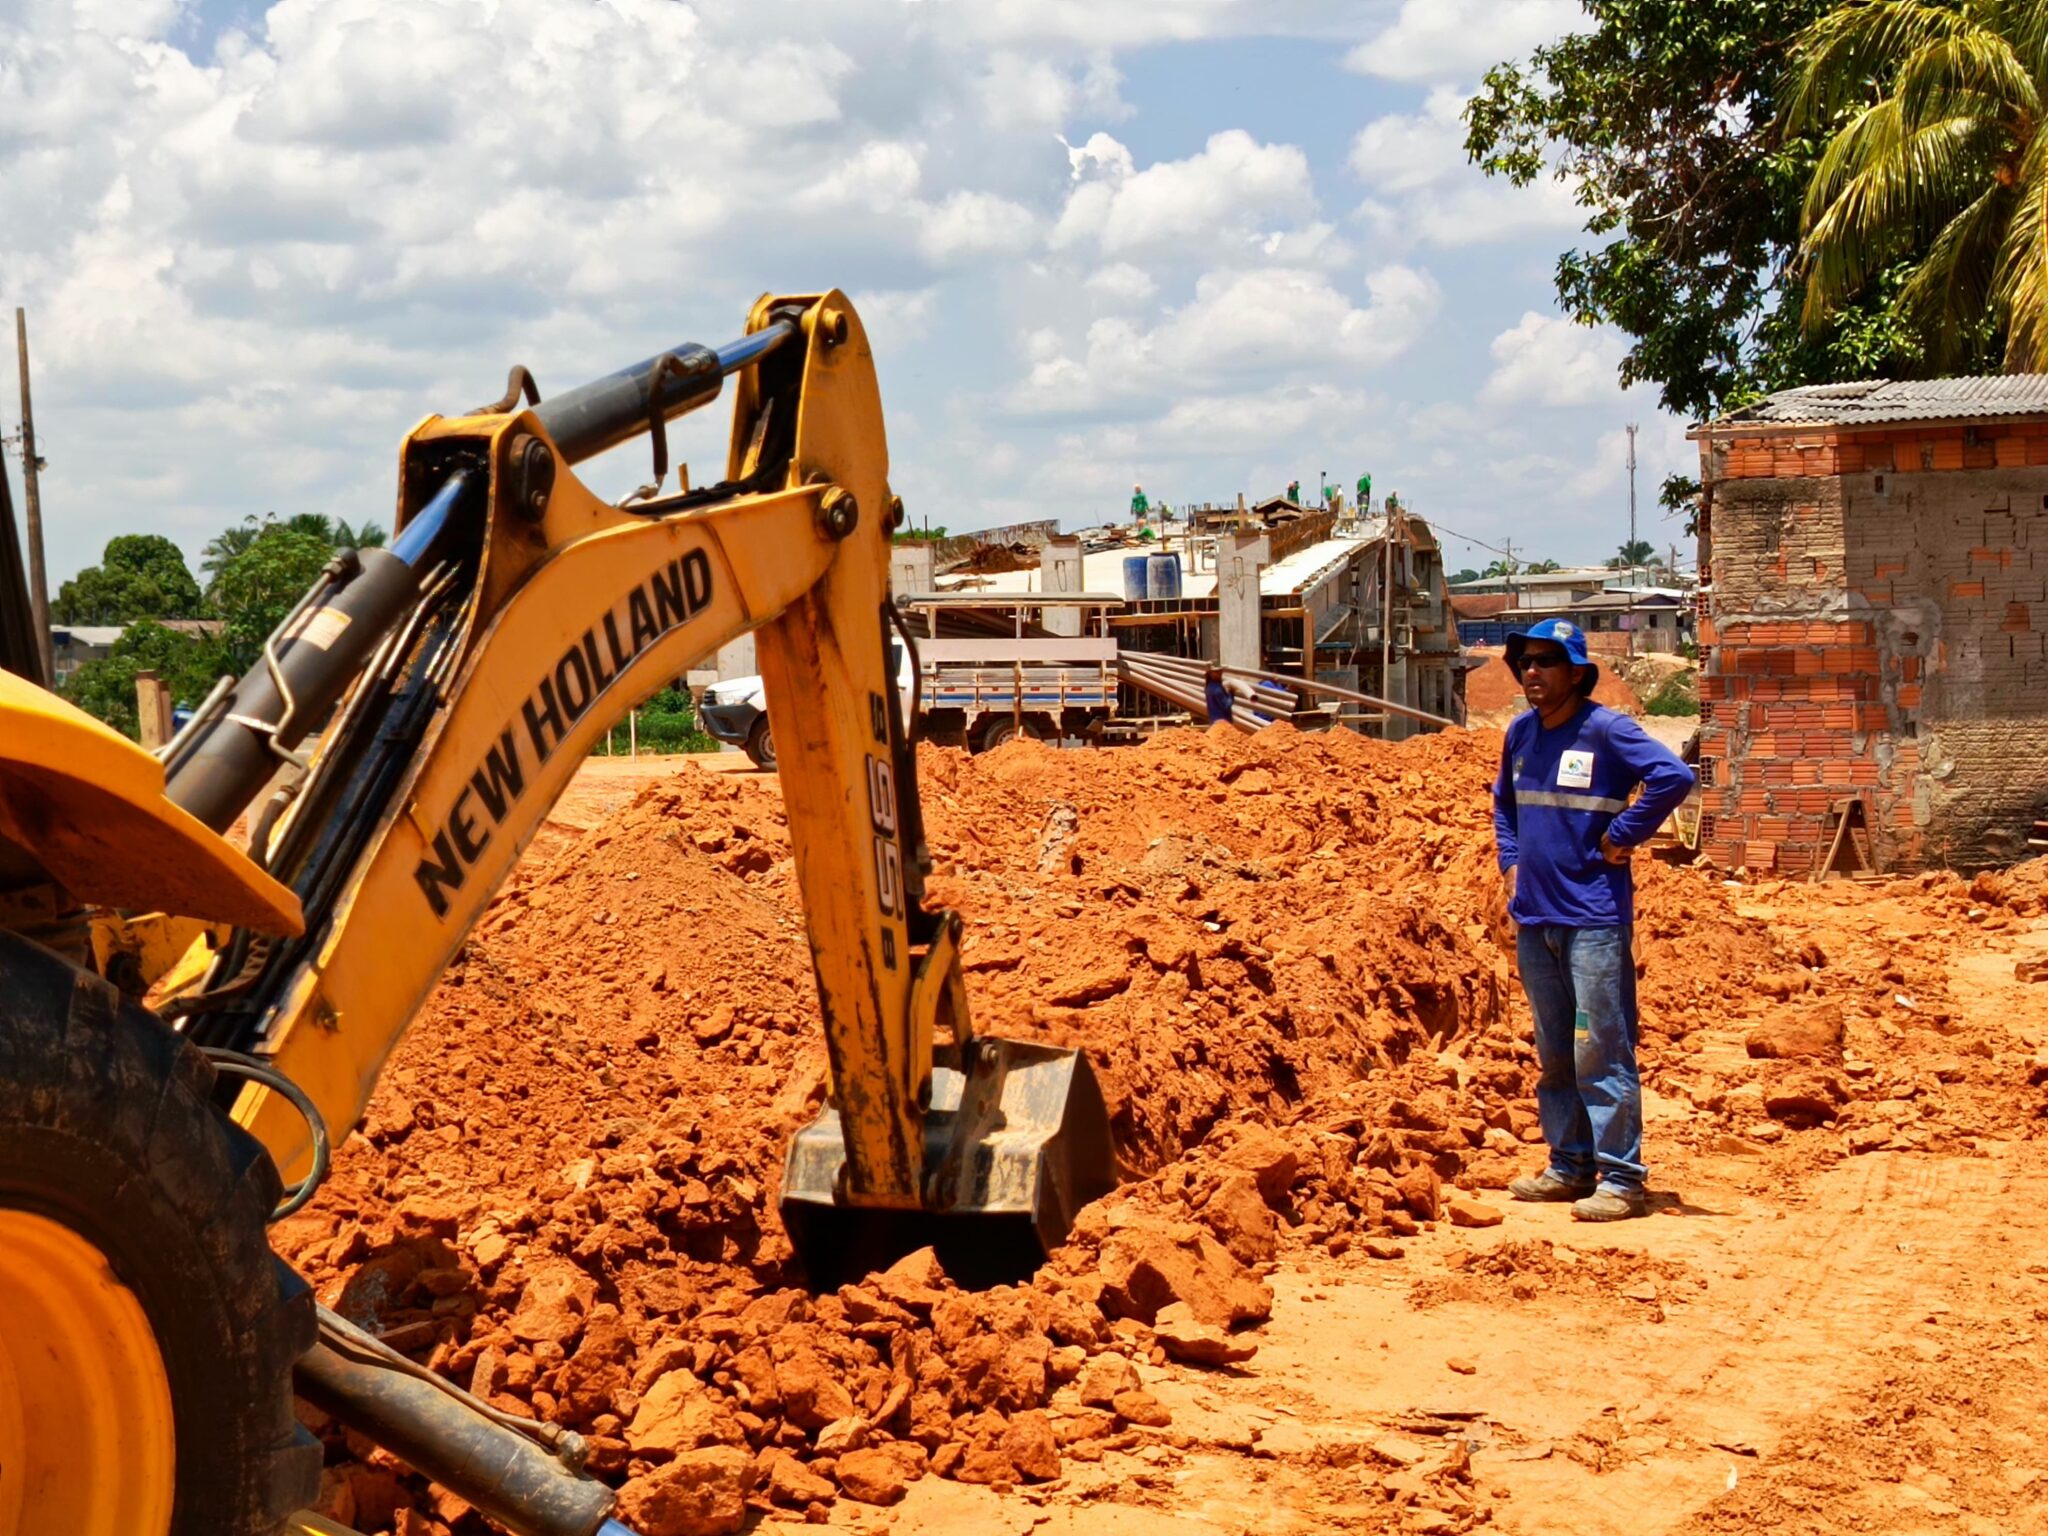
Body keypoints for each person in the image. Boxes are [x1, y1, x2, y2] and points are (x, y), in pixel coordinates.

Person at [1493, 617, 1694, 1221]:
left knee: (1598, 1048)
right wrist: (1510, 863)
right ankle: (1570, 1165)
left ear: (1577, 673)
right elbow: (1504, 806)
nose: (1532, 671)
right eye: (1525, 661)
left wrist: (1622, 836)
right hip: (1538, 919)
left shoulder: (1606, 731)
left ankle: (1623, 1178)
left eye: (1545, 662)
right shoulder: (1521, 734)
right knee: (1555, 1051)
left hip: (1594, 920)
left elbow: (1673, 776)